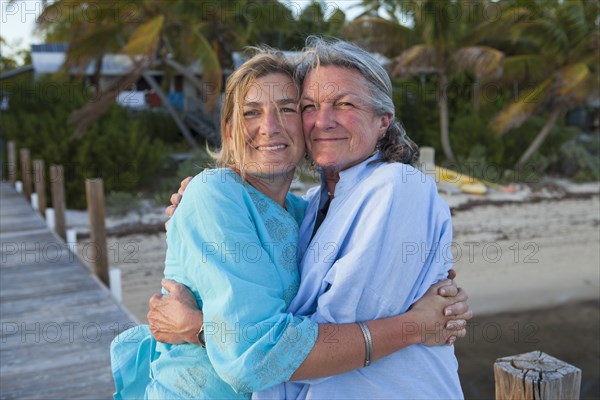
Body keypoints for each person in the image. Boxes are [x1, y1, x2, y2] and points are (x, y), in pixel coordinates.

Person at [111, 48, 469, 399]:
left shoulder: (310, 209)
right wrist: (416, 327)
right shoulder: (218, 194)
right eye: (251, 113)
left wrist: (198, 327)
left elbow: (302, 334)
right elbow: (257, 355)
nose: (270, 127)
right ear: (230, 132)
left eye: (288, 109)